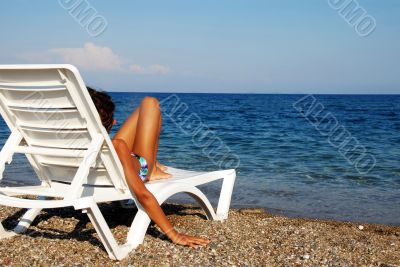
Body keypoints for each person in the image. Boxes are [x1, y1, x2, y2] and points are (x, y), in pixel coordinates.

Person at [87, 87, 210, 248]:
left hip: (104, 163)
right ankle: (152, 169)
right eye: (111, 119)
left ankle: (155, 164)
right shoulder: (118, 147)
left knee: (146, 106)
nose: (115, 122)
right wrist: (174, 234)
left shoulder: (70, 144)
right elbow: (143, 195)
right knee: (150, 102)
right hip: (138, 165)